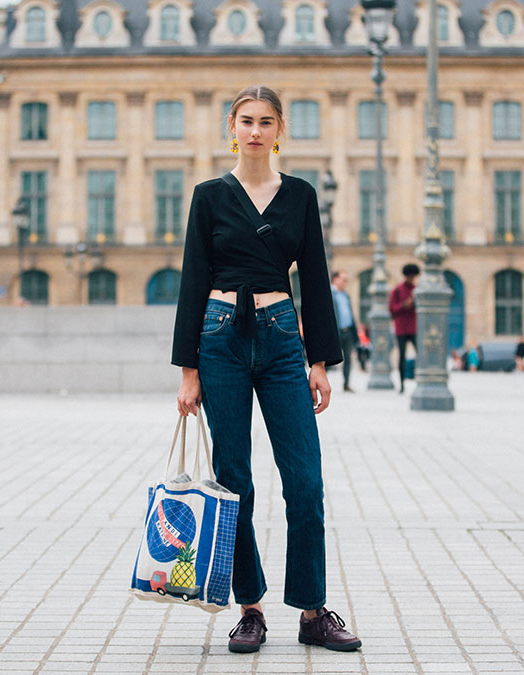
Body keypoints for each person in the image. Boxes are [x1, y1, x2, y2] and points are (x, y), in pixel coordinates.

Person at [172, 85, 361, 655]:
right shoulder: (208, 196)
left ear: (281, 131)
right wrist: (188, 370)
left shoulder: (300, 196)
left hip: (280, 336)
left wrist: (321, 361)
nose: (255, 131)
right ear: (231, 126)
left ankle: (311, 610)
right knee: (236, 480)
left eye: (266, 122)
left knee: (305, 479)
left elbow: (317, 278)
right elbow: (192, 280)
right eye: (246, 120)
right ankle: (249, 607)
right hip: (220, 337)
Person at [388, 263, 419, 393]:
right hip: (401, 328)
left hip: (414, 327)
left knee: (421, 354)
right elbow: (392, 309)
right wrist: (404, 305)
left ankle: (418, 379)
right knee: (401, 356)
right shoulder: (397, 290)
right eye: (409, 276)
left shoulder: (417, 290)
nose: (411, 279)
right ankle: (401, 384)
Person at [330, 270, 357, 392]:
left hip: (347, 331)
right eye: (343, 279)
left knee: (348, 358)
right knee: (327, 356)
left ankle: (346, 384)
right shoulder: (329, 294)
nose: (345, 282)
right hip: (335, 331)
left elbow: (350, 314)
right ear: (335, 279)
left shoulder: (345, 295)